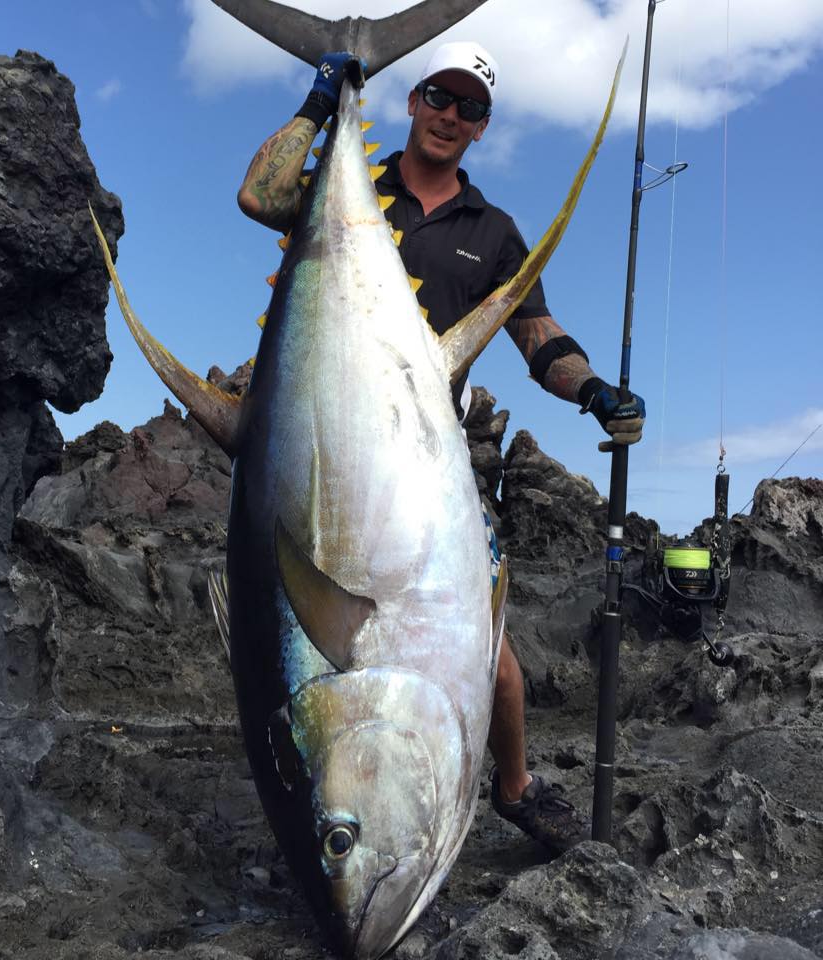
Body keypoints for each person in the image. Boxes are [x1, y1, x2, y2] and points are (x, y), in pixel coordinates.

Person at [237, 42, 645, 854]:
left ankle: (515, 787)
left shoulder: (492, 230)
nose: (451, 116)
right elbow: (260, 194)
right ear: (416, 100)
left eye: (469, 108)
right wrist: (325, 97)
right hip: (328, 445)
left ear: (482, 128)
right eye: (439, 97)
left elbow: (536, 334)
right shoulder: (345, 185)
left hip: (437, 457)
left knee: (490, 657)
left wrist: (592, 390)